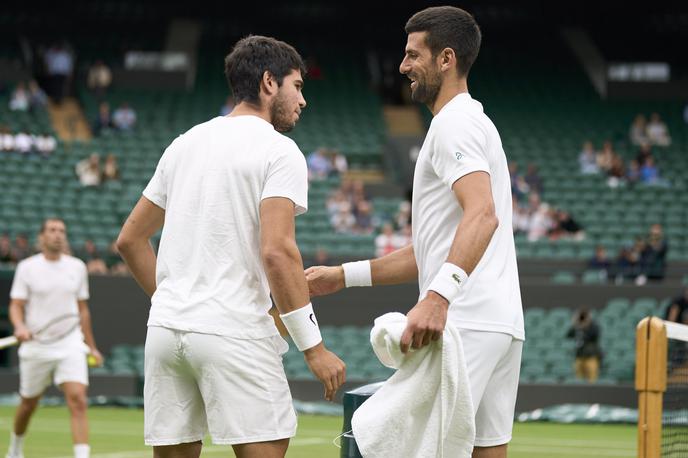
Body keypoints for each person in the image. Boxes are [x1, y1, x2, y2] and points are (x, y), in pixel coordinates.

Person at [305, 7, 523, 457]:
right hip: (499, 326)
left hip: (466, 321)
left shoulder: (453, 124)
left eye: (412, 55)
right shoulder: (475, 122)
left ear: (446, 59)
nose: (402, 67)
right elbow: (432, 249)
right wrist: (344, 275)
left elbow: (482, 215)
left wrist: (438, 297)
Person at [115, 35, 345, 458]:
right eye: (298, 85)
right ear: (269, 83)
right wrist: (314, 348)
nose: (303, 99)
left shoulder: (183, 143)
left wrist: (174, 302)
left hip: (166, 331)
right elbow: (278, 252)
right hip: (234, 330)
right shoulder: (280, 151)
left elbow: (130, 240)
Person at [5, 218, 103, 458]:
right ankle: (15, 449)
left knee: (78, 399)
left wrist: (91, 346)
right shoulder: (27, 267)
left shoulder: (77, 267)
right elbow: (16, 305)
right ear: (42, 237)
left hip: (70, 342)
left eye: (61, 231)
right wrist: (19, 326)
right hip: (36, 346)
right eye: (52, 230)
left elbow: (83, 310)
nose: (58, 235)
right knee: (28, 404)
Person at [566, 308, 602, 382]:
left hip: (591, 355)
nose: (582, 319)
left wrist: (586, 326)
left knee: (592, 378)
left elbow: (593, 335)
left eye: (584, 316)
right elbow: (568, 335)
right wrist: (575, 324)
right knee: (578, 378)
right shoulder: (577, 327)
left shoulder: (594, 326)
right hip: (579, 355)